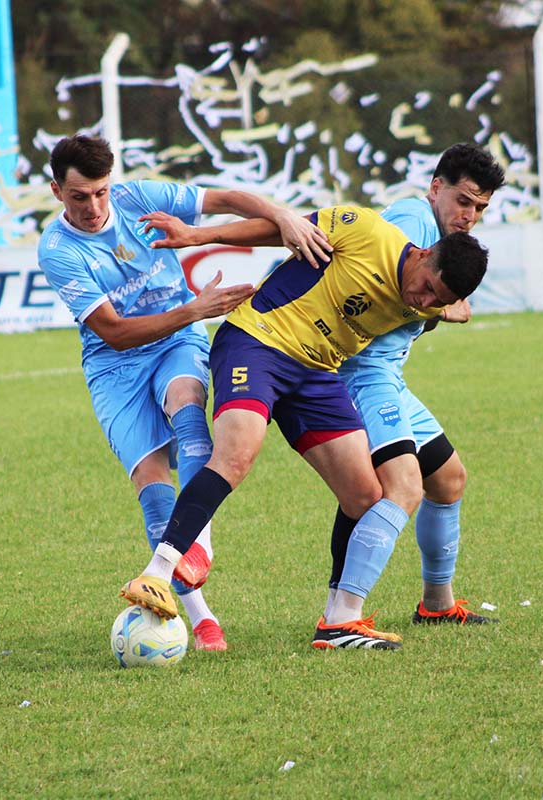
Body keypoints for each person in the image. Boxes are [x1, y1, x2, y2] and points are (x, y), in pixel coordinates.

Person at [120, 205, 489, 650]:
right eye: (427, 287)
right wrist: (198, 235)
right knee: (237, 455)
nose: (423, 301)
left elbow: (445, 306)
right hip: (257, 340)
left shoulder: (424, 303)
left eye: (437, 300)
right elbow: (281, 229)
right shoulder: (367, 231)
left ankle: (337, 624)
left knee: (365, 496)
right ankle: (157, 573)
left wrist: (445, 308)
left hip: (317, 373)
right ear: (425, 252)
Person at [36, 135, 331, 653]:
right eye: (79, 196)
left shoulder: (136, 197)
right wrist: (198, 308)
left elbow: (227, 198)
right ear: (57, 190)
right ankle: (199, 616)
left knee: (188, 409)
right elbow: (115, 332)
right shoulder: (58, 251)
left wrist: (282, 217)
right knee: (152, 484)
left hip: (177, 342)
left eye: (101, 192)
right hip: (113, 365)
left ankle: (196, 550)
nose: (94, 207)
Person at [333, 143, 507, 628]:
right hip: (359, 374)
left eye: (480, 208)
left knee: (448, 480)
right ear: (436, 188)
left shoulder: (445, 241)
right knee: (398, 487)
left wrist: (441, 309)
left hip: (386, 377)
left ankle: (436, 604)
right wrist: (440, 308)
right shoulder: (413, 221)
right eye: (464, 201)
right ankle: (343, 614)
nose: (469, 216)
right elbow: (379, 287)